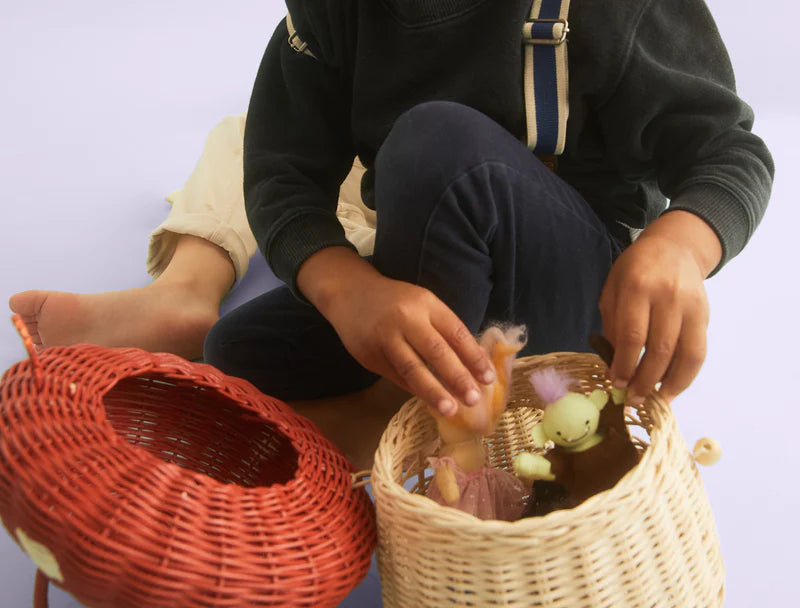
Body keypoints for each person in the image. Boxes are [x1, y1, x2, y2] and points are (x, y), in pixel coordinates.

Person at [10, 0, 774, 424]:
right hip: (438, 279)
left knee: (433, 139)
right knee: (243, 356)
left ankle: (403, 413)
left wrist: (678, 243)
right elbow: (281, 173)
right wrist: (351, 291)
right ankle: (403, 383)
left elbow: (728, 151)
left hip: (561, 304)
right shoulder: (333, 13)